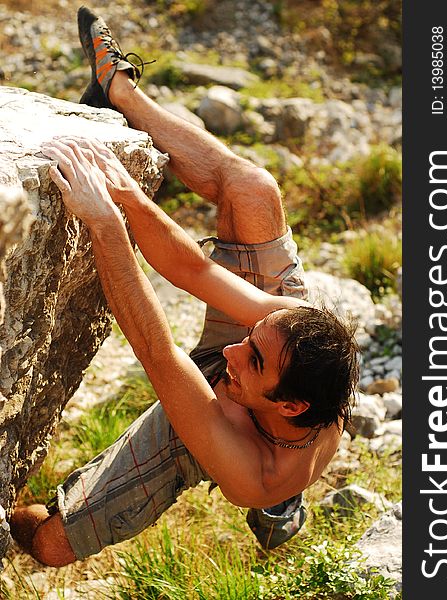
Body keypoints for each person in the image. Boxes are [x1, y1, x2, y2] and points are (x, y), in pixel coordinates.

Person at [10, 6, 359, 566]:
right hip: (265, 392)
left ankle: (10, 516)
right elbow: (195, 273)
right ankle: (118, 91)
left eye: (252, 359)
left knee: (52, 545)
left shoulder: (253, 470)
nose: (230, 349)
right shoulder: (297, 336)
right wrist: (127, 198)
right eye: (254, 335)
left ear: (289, 405)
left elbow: (158, 351)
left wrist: (104, 224)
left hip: (218, 433)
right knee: (252, 190)